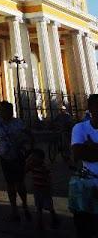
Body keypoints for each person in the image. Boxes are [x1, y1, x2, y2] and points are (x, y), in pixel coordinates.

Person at [0, 100, 33, 222]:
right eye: (2, 111)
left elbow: (29, 134)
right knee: (10, 184)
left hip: (18, 157)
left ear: (11, 111)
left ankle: (24, 205)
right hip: (5, 158)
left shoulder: (18, 123)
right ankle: (14, 209)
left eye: (5, 110)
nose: (3, 113)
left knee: (20, 183)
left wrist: (30, 149)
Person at [70, 93, 98, 236]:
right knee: (85, 226)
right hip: (87, 185)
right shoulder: (80, 128)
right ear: (90, 109)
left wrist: (92, 147)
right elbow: (78, 154)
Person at [26, 148, 60, 230]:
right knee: (39, 207)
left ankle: (54, 217)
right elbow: (25, 169)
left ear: (41, 159)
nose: (33, 159)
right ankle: (40, 222)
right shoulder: (33, 167)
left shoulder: (44, 168)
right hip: (37, 190)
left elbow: (48, 179)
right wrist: (28, 161)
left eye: (35, 158)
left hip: (45, 190)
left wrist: (48, 188)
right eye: (32, 158)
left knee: (49, 206)